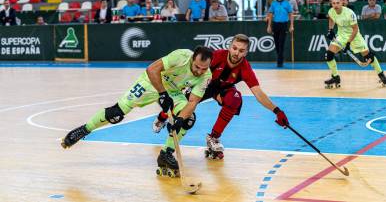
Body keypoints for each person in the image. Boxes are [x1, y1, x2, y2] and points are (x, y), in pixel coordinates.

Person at [61, 46, 213, 177]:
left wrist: (180, 120)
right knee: (116, 113)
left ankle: (166, 154)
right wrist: (162, 93)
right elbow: (152, 69)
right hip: (152, 82)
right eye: (197, 66)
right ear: (193, 58)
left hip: (174, 91)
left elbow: (193, 101)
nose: (199, 71)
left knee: (188, 119)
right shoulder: (181, 56)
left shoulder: (206, 76)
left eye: (203, 68)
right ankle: (83, 130)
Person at [153, 34, 290, 159]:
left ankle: (213, 138)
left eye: (241, 51)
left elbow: (258, 93)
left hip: (222, 90)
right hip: (201, 86)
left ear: (246, 52)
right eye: (235, 48)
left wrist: (277, 111)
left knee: (234, 99)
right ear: (229, 47)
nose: (236, 53)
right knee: (180, 107)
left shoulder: (245, 68)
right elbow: (193, 71)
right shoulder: (216, 57)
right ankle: (163, 116)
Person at [324, 0, 386, 89]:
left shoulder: (350, 13)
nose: (335, 5)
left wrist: (348, 43)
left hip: (354, 36)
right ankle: (335, 77)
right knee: (328, 55)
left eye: (338, 3)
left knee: (368, 56)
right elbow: (331, 18)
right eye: (333, 3)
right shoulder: (331, 11)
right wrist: (330, 30)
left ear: (342, 3)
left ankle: (382, 75)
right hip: (341, 36)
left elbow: (355, 30)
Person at [267, 0, 294, 67]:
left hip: (284, 25)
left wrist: (291, 25)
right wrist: (269, 26)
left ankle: (280, 62)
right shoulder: (273, 3)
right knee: (277, 43)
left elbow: (291, 14)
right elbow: (270, 15)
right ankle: (280, 58)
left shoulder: (287, 3)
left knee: (281, 42)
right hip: (275, 25)